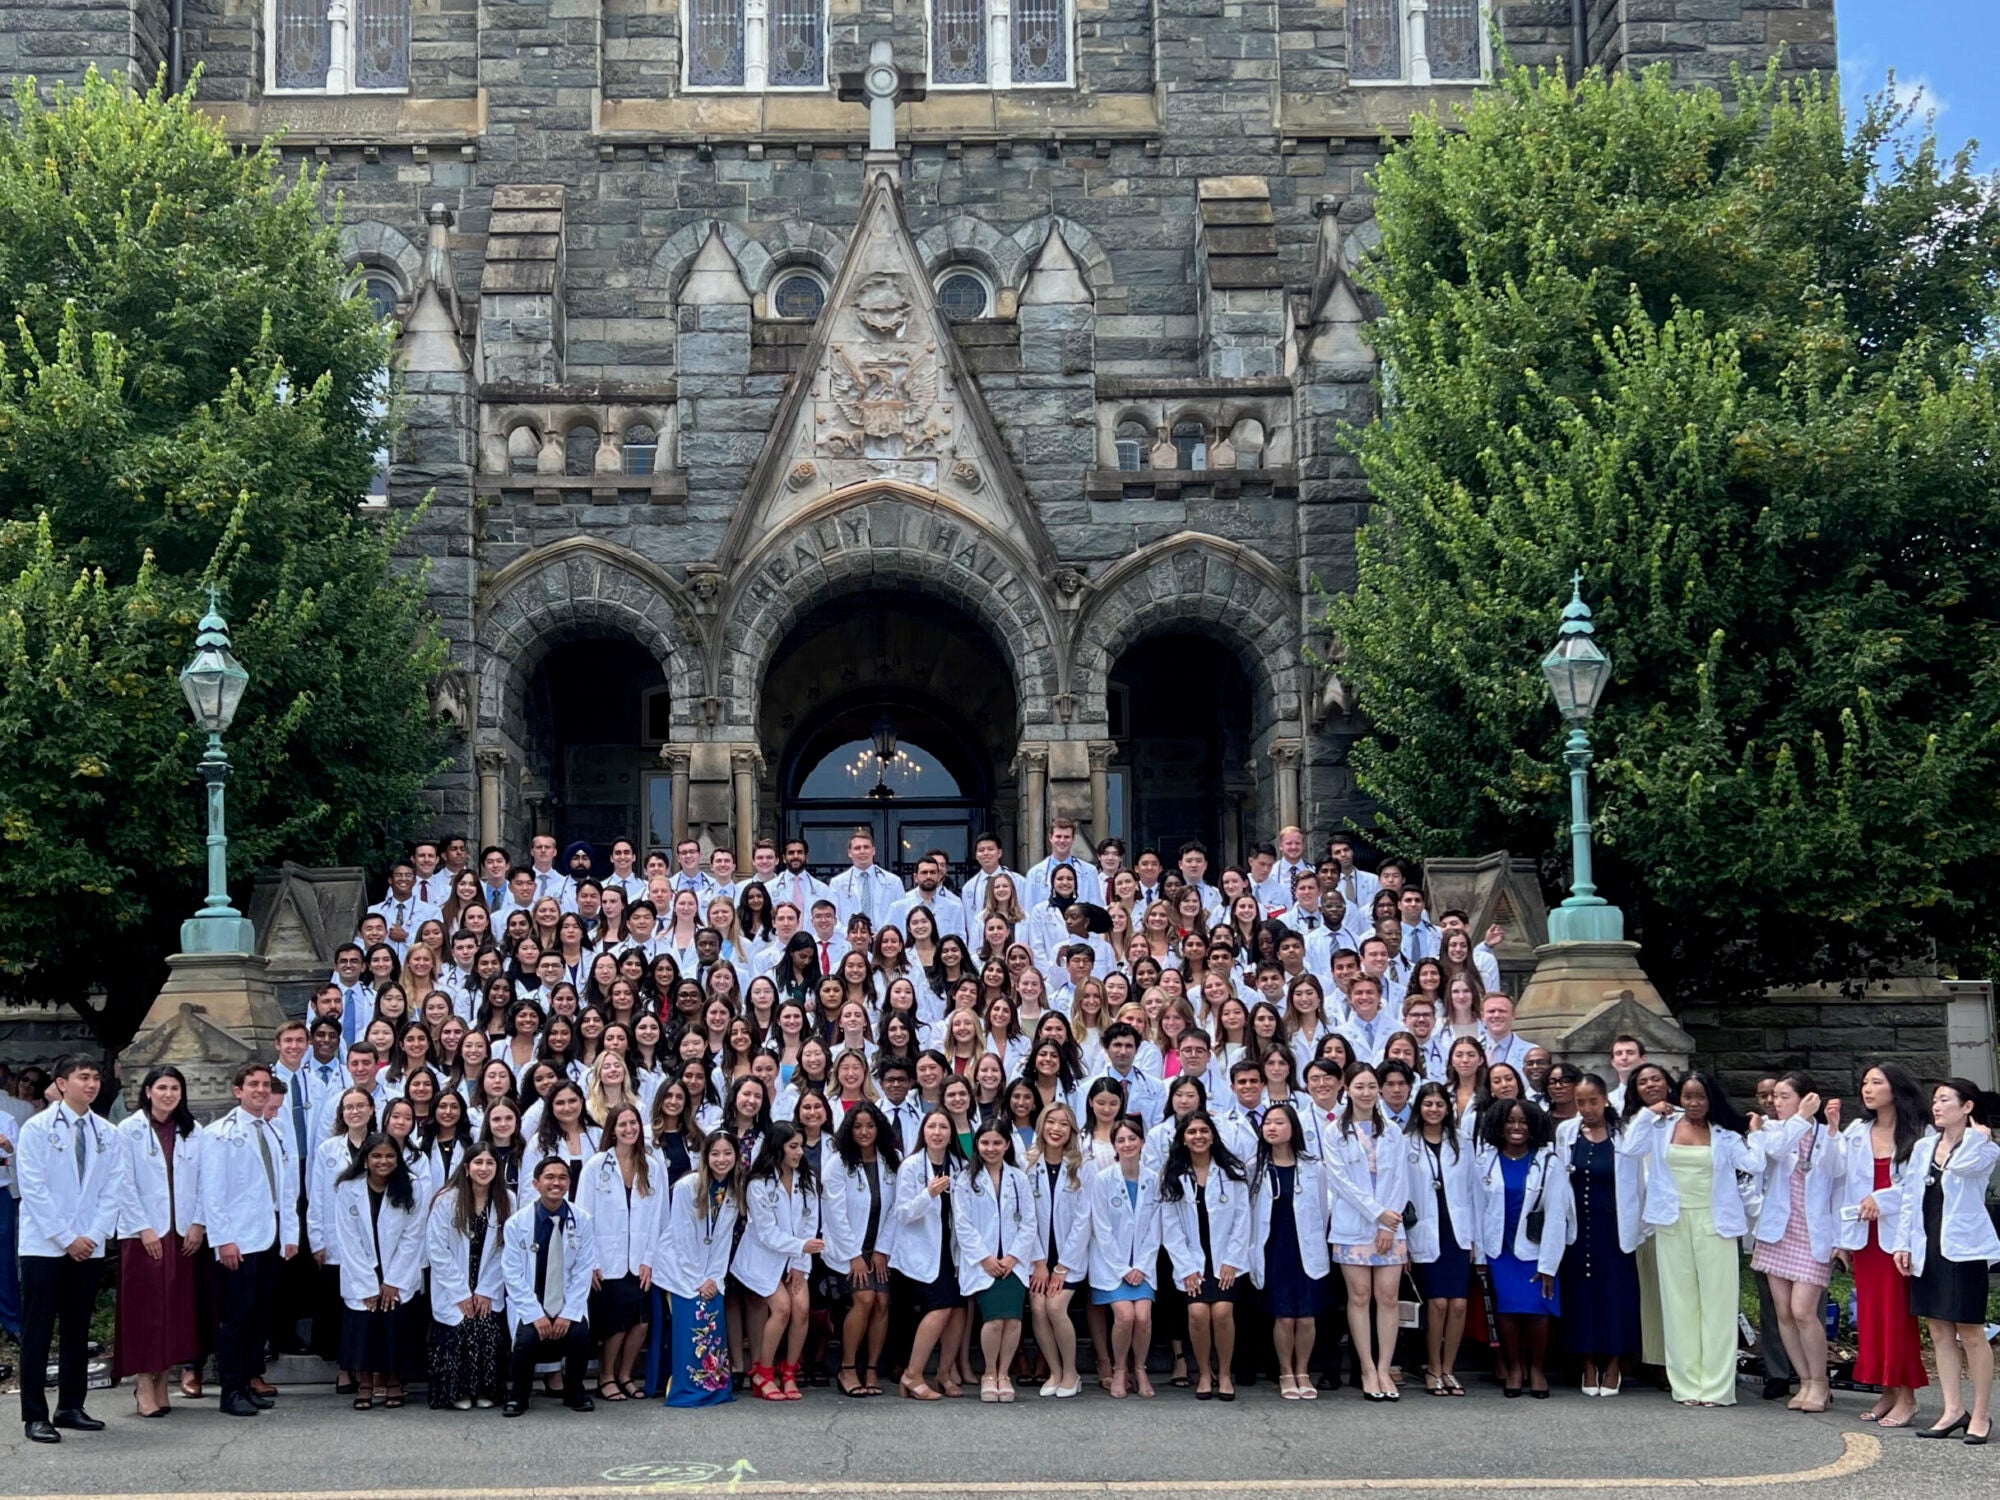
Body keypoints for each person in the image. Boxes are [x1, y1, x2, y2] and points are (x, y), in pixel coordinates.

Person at [1620, 1071, 1755, 1406]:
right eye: (1688, 1097)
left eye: (1701, 1097)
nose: (1694, 1103)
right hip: (1672, 1221)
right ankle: (1686, 1384)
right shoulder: (1661, 1127)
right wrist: (1648, 1113)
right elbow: (1629, 1148)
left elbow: (1754, 1163)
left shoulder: (1725, 1134)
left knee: (1718, 1305)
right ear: (1678, 1097)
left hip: (1715, 1223)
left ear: (1711, 1100)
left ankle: (1717, 1387)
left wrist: (1757, 1133)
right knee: (1678, 1303)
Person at [17, 1056, 123, 1443]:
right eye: (83, 1078)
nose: (91, 1084)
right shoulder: (36, 1128)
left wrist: (93, 1234)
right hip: (44, 1245)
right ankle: (34, 1414)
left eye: (95, 1078)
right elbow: (33, 1189)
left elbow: (113, 1187)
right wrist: (66, 1237)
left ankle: (71, 1406)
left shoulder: (107, 1132)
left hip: (89, 1243)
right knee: (38, 1330)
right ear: (62, 1083)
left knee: (77, 1329)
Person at [1896, 1078, 2000, 1443]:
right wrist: (1902, 1243)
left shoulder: (1984, 1148)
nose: (1936, 1106)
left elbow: (1962, 1169)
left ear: (1967, 1106)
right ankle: (1953, 1409)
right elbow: (1910, 1197)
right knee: (1938, 1329)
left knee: (1970, 1331)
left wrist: (1975, 1138)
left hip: (1963, 1249)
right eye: (1935, 1100)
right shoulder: (1924, 1146)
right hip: (1928, 1246)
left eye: (1944, 1100)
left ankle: (1981, 1414)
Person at [195, 1062, 300, 1420]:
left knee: (260, 1315)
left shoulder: (273, 1130)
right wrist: (223, 1240)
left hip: (269, 1236)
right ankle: (231, 1390)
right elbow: (212, 1191)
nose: (260, 1090)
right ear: (238, 1091)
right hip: (238, 1240)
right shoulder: (219, 1133)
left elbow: (285, 1187)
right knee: (237, 1317)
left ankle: (248, 1381)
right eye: (253, 1084)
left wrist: (290, 1234)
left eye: (265, 1085)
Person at [1833, 1063, 1927, 1427]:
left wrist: (1881, 1199)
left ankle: (1908, 1396)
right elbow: (1841, 1182)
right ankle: (1887, 1390)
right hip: (1865, 1237)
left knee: (1897, 1316)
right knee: (1871, 1316)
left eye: (1876, 1082)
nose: (1867, 1089)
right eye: (1864, 1083)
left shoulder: (1920, 1133)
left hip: (1899, 1236)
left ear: (1896, 1089)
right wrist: (1841, 1240)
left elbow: (1919, 1186)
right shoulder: (1857, 1130)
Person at [113, 1065, 204, 1418]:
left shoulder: (193, 1131)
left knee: (176, 1311)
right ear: (148, 1091)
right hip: (144, 1235)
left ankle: (164, 1380)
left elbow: (205, 1181)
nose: (168, 1094)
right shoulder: (129, 1130)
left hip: (182, 1233)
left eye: (175, 1088)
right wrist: (143, 1228)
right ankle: (143, 1384)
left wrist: (198, 1223)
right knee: (145, 1311)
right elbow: (122, 1182)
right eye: (162, 1087)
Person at [1748, 1072, 1839, 1414]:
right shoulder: (1773, 1129)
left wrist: (1824, 1125)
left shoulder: (1826, 1133)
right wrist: (1799, 1118)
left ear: (1807, 1098)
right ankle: (1804, 1381)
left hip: (1812, 1231)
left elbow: (1838, 1175)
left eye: (1784, 1096)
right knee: (1784, 1312)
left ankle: (1820, 1381)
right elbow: (1774, 1151)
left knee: (1803, 1310)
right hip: (1778, 1231)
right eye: (1774, 1096)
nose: (1776, 1102)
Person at [1549, 1074, 1640, 1397]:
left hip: (1614, 1229)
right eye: (1581, 1102)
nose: (1587, 1109)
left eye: (1593, 1102)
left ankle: (1613, 1363)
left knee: (1615, 1295)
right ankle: (1587, 1363)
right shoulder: (1567, 1132)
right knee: (1582, 1296)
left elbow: (1637, 1181)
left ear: (1605, 1100)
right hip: (1579, 1228)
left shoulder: (1623, 1134)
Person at [1324, 1062, 1410, 1402]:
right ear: (1346, 1089)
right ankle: (1367, 1369)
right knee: (1358, 1297)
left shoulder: (1393, 1131)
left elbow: (1401, 1179)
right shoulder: (1335, 1132)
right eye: (1359, 1086)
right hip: (1353, 1226)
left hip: (1391, 1226)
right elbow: (1340, 1182)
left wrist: (1388, 1222)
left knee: (1388, 1298)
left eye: (1372, 1086)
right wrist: (1376, 1214)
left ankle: (1385, 1368)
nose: (1366, 1092)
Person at [1473, 1097, 1567, 1400]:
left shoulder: (1548, 1162)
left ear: (1534, 1126)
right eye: (1510, 1121)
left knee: (1538, 1310)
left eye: (1523, 1122)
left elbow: (1557, 1215)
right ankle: (1514, 1368)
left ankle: (1536, 1369)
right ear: (1499, 1125)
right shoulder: (1485, 1161)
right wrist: (1479, 1254)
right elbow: (1477, 1209)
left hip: (1535, 1250)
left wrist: (1548, 1264)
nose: (1517, 1127)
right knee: (1508, 1310)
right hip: (1499, 1250)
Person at [331, 1132, 425, 1409]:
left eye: (389, 1156)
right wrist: (367, 1284)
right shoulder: (348, 1187)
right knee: (364, 1325)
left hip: (398, 1267)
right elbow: (348, 1238)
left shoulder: (411, 1185)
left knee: (394, 1324)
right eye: (376, 1156)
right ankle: (365, 1384)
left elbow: (413, 1235)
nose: (383, 1161)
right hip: (361, 1268)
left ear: (398, 1159)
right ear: (366, 1159)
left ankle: (393, 1381)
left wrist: (394, 1281)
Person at [499, 1158, 599, 1416]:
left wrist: (568, 1313)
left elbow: (583, 1270)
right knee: (526, 1339)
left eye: (562, 1177)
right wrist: (535, 1314)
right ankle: (518, 1396)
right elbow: (512, 1274)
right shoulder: (517, 1223)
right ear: (536, 1183)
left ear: (569, 1183)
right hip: (532, 1303)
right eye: (549, 1177)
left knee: (579, 1335)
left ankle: (574, 1392)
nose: (556, 1183)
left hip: (566, 1303)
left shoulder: (582, 1220)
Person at [579, 1102, 664, 1401]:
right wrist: (589, 1261)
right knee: (615, 1325)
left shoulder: (652, 1166)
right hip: (606, 1260)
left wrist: (650, 1260)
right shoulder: (596, 1166)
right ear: (612, 1130)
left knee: (641, 1322)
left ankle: (625, 1375)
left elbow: (659, 1217)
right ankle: (606, 1377)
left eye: (633, 1123)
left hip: (640, 1259)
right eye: (622, 1124)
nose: (629, 1129)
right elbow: (583, 1216)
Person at [740, 1122, 825, 1400]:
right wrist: (801, 1247)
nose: (800, 1152)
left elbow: (809, 1223)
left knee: (802, 1308)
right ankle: (763, 1373)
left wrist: (799, 1263)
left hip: (795, 1258)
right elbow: (767, 1233)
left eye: (801, 1146)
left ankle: (788, 1372)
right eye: (793, 1147)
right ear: (778, 1148)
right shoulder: (758, 1184)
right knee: (782, 1309)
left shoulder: (806, 1180)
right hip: (763, 1258)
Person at [955, 1121, 1040, 1402]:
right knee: (993, 1321)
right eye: (985, 1143)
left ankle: (1005, 1374)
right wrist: (985, 1259)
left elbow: (1029, 1222)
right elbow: (963, 1225)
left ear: (1007, 1145)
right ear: (977, 1145)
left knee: (1013, 1321)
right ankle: (989, 1373)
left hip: (1013, 1263)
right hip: (985, 1263)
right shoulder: (965, 1179)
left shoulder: (1019, 1178)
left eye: (996, 1143)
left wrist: (1013, 1257)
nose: (990, 1148)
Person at [822, 1101, 901, 1397]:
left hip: (879, 1246)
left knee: (882, 1300)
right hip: (848, 1249)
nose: (864, 1132)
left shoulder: (892, 1160)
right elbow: (834, 1214)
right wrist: (853, 1255)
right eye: (858, 1126)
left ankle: (871, 1369)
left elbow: (895, 1209)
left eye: (870, 1126)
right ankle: (847, 1367)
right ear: (849, 1130)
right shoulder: (838, 1163)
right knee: (865, 1298)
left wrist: (881, 1250)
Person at [658, 1133, 741, 1407]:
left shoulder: (733, 1190)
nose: (721, 1159)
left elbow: (723, 1240)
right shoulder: (687, 1187)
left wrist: (714, 1278)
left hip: (710, 1274)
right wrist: (698, 1280)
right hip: (682, 1271)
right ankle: (687, 1388)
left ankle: (714, 1387)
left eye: (727, 1153)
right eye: (715, 1154)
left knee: (713, 1324)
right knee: (693, 1325)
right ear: (705, 1157)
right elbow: (682, 1238)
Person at [427, 1143, 512, 1410]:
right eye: (478, 1163)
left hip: (488, 1281)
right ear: (466, 1168)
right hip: (453, 1282)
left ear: (497, 1168)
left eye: (490, 1163)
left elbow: (506, 1249)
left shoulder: (507, 1200)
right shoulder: (446, 1200)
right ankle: (458, 1391)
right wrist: (460, 1292)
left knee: (486, 1325)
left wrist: (486, 1289)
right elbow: (436, 1249)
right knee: (459, 1327)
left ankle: (486, 1389)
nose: (483, 1168)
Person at [893, 1109, 970, 1400]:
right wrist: (929, 1194)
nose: (937, 1133)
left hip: (953, 1249)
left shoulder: (961, 1166)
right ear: (922, 1132)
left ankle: (944, 1373)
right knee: (941, 1308)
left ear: (951, 1134)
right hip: (923, 1250)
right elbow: (903, 1213)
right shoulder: (911, 1165)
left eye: (943, 1127)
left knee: (959, 1311)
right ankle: (912, 1374)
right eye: (931, 1127)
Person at [1405, 1081, 1473, 1397]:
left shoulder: (1462, 1142)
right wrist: (1402, 1241)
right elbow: (1401, 1194)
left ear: (1448, 1109)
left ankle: (1448, 1368)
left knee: (1458, 1304)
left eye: (1439, 1104)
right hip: (1424, 1231)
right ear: (1419, 1108)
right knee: (1437, 1304)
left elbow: (1474, 1192)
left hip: (1457, 1232)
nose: (1434, 1109)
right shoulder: (1406, 1143)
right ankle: (1432, 1368)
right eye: (1428, 1104)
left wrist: (1475, 1241)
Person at [1088, 1116, 1160, 1399]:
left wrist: (1141, 1266)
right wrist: (1122, 1268)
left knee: (1143, 1317)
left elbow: (1156, 1228)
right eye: (1121, 1140)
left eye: (1132, 1139)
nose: (1127, 1144)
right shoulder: (1103, 1179)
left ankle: (1139, 1368)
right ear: (1114, 1145)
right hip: (1111, 1266)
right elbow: (1101, 1228)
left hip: (1143, 1265)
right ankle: (1119, 1369)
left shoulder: (1154, 1179)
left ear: (1142, 1142)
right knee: (1125, 1316)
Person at [1025, 1103, 1091, 1399]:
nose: (1056, 1129)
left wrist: (1062, 1266)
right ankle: (1054, 1370)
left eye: (1064, 1124)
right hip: (1037, 1256)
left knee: (1054, 1307)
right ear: (1042, 1125)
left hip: (1069, 1257)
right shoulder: (1027, 1164)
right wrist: (1039, 1262)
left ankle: (1071, 1372)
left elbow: (1084, 1220)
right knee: (1038, 1307)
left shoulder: (1081, 1165)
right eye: (1051, 1122)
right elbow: (1025, 1218)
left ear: (1071, 1130)